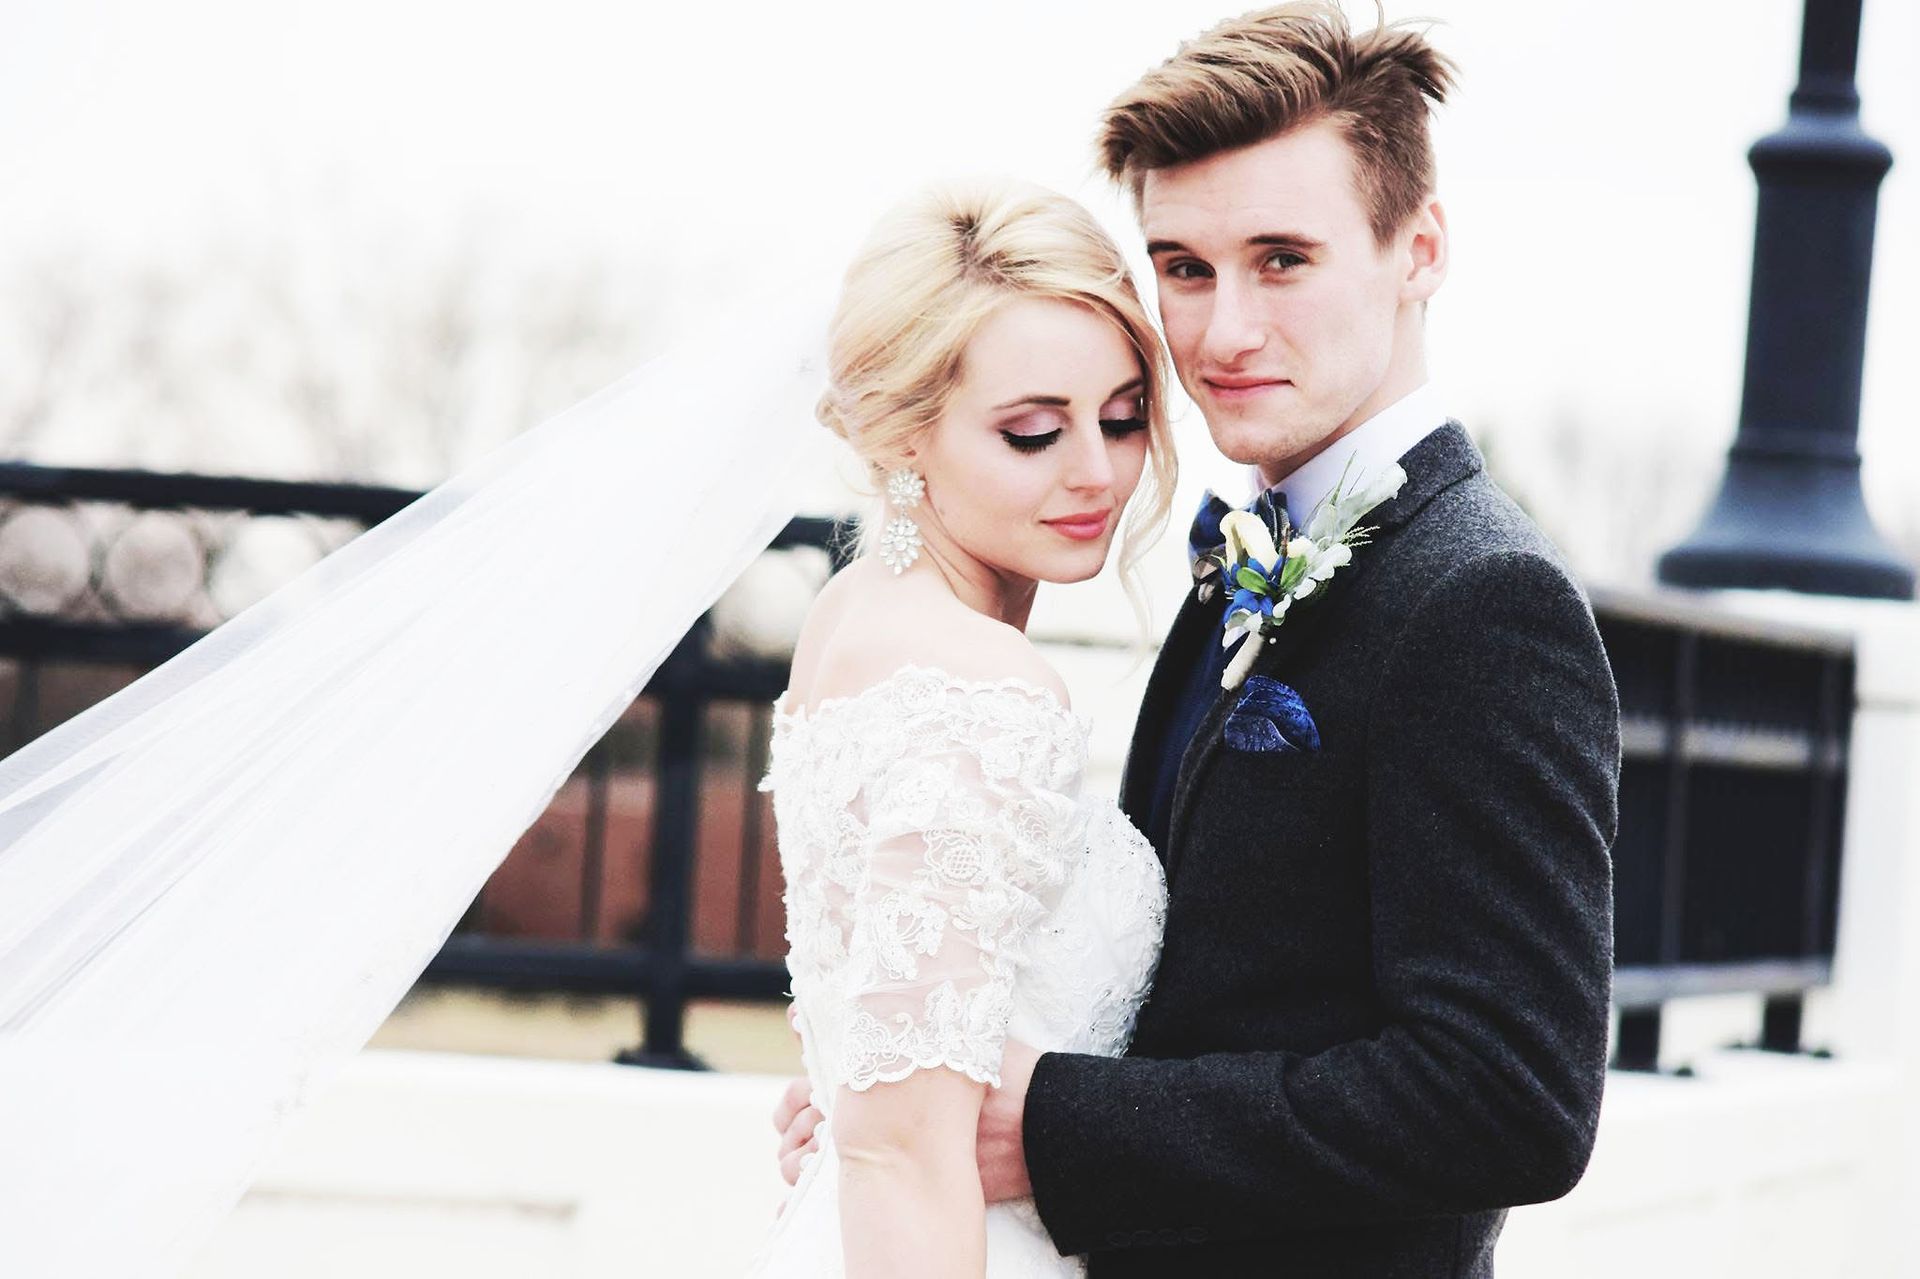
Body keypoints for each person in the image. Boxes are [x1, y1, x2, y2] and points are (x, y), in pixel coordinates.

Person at [773, 5, 1623, 1276]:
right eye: (1183, 266)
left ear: (1419, 247)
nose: (1223, 334)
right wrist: (903, 1073)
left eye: (1282, 259)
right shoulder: (1235, 564)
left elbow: (1511, 1094)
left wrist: (1051, 1127)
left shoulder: (1483, 601)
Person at [746, 178, 1178, 1277]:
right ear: (900, 435)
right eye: (1033, 432)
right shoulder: (987, 682)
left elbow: (883, 1059)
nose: (1098, 470)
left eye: (1124, 417)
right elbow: (904, 1154)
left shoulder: (846, 622)